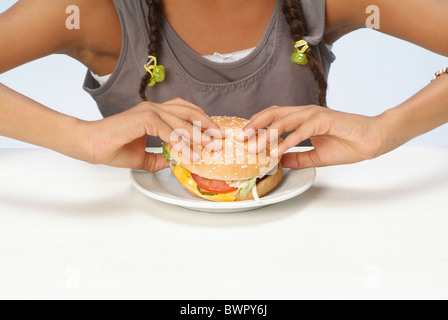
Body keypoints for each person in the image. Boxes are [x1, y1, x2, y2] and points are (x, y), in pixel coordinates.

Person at [0, 0, 447, 172]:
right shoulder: (88, 10)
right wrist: (79, 137)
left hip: (306, 257)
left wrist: (385, 129)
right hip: (134, 266)